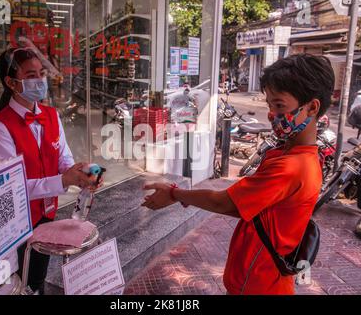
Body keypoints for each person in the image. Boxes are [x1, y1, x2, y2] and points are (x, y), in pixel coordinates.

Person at [142, 53, 335, 295]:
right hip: (255, 280)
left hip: (260, 285)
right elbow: (243, 207)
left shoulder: (292, 166)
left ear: (312, 107)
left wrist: (174, 193)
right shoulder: (293, 155)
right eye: (269, 105)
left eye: (279, 105)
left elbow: (224, 202)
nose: (272, 114)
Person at [0, 47, 101, 294]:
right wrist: (63, 179)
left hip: (45, 213)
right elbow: (13, 189)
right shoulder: (0, 128)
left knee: (36, 279)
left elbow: (64, 159)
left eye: (41, 73)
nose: (39, 81)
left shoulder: (51, 116)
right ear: (11, 82)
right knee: (17, 283)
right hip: (14, 224)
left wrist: (83, 174)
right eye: (30, 75)